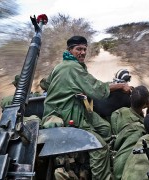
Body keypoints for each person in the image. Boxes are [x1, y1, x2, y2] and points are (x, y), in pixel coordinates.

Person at [42, 35, 131, 180]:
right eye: (78, 49)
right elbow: (98, 90)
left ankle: (91, 163)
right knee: (100, 147)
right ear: (70, 50)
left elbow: (44, 84)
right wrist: (121, 85)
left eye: (84, 49)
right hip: (68, 114)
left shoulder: (61, 66)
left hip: (69, 108)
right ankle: (101, 173)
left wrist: (69, 88)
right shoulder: (73, 67)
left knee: (105, 128)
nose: (82, 52)